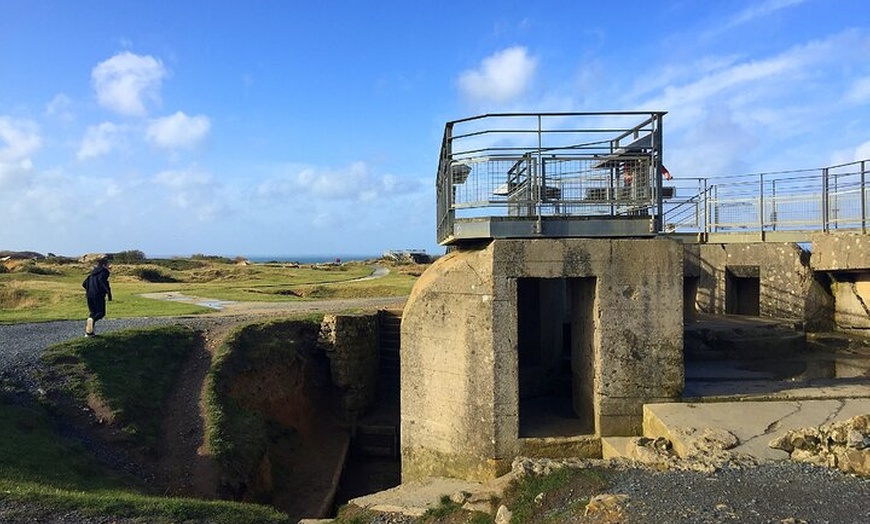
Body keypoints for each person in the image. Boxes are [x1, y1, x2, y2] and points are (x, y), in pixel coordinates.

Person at [83, 258, 112, 336]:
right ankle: (91, 320)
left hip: (89, 295)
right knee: (101, 313)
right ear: (104, 265)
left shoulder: (92, 273)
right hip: (98, 295)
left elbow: (84, 283)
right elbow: (102, 281)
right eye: (108, 264)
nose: (109, 266)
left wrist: (89, 290)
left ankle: (89, 333)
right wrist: (108, 293)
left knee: (93, 313)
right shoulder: (104, 272)